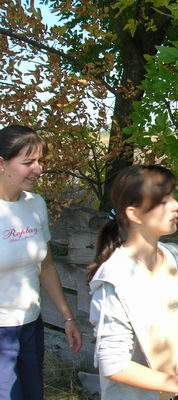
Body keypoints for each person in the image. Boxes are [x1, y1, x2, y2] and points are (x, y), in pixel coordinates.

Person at [87, 165, 178, 400]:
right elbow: (114, 365)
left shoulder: (174, 255)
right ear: (134, 214)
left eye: (173, 196)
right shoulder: (113, 279)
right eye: (164, 201)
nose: (177, 205)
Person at [0, 125, 83, 400]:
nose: (38, 169)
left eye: (40, 161)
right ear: (2, 163)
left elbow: (45, 266)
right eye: (28, 162)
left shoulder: (35, 204)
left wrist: (67, 317)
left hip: (31, 326)